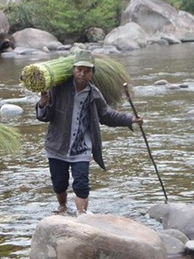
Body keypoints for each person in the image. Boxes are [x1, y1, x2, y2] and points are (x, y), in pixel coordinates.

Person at [35, 50, 141, 215]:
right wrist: (42, 104)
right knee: (59, 183)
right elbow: (45, 116)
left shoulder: (94, 94)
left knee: (81, 184)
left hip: (81, 147)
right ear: (73, 69)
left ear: (92, 73)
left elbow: (106, 115)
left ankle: (82, 215)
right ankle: (62, 207)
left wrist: (129, 119)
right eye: (79, 70)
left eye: (87, 71)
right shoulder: (58, 89)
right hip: (57, 146)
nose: (82, 74)